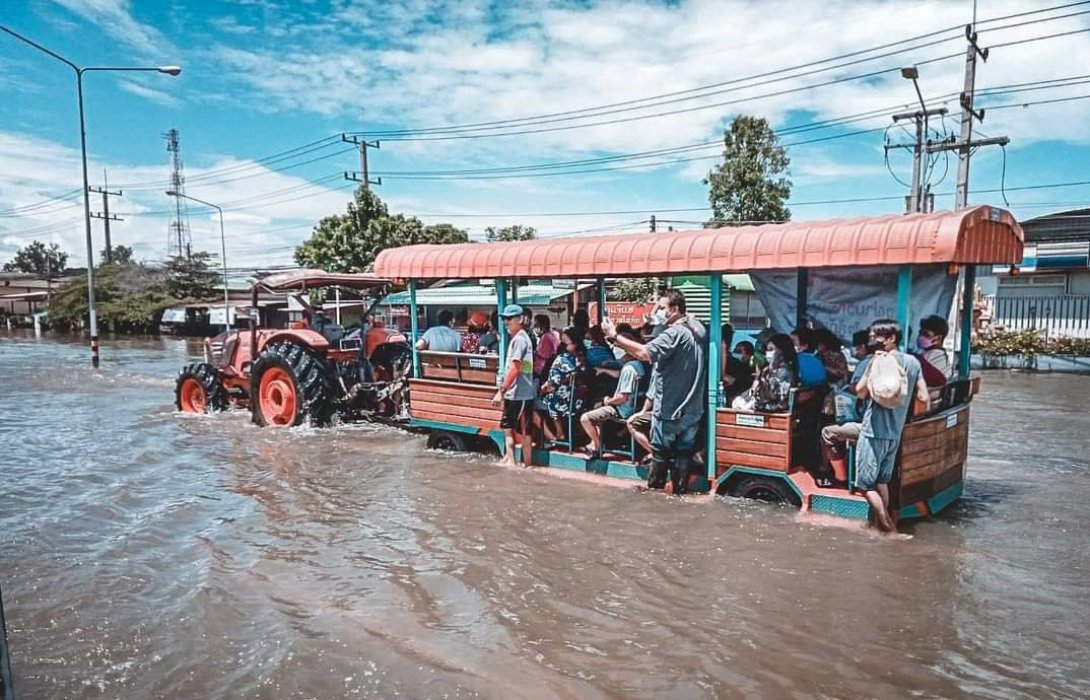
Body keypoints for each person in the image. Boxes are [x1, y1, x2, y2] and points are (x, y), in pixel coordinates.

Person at [603, 288, 706, 495]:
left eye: (661, 308)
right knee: (683, 454)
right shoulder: (697, 328)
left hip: (670, 410)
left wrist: (614, 336)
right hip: (693, 409)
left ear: (675, 309)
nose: (657, 311)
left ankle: (655, 496)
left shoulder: (674, 333)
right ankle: (680, 493)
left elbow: (643, 352)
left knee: (660, 456)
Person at [854, 319, 930, 532]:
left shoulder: (877, 361)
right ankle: (877, 526)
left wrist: (868, 381)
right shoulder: (914, 362)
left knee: (865, 485)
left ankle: (888, 528)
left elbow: (860, 392)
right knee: (882, 481)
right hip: (895, 433)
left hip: (873, 430)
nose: (871, 340)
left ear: (890, 338)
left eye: (874, 336)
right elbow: (923, 396)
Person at [818, 330, 876, 488]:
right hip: (879, 421)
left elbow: (857, 389)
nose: (854, 352)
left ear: (863, 347)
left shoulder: (866, 363)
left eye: (856, 348)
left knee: (826, 432)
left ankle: (840, 478)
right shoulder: (884, 361)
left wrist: (845, 388)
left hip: (867, 423)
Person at [579, 330, 646, 457]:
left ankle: (597, 448)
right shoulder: (638, 365)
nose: (615, 349)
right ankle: (596, 443)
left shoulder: (628, 369)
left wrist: (608, 401)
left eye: (618, 346)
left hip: (623, 409)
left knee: (586, 418)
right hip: (634, 406)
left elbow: (622, 397)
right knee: (597, 406)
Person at [491, 304, 537, 467]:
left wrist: (501, 391)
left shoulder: (519, 340)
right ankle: (519, 462)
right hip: (519, 391)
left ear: (520, 320)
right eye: (504, 319)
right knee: (515, 428)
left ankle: (513, 462)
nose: (506, 322)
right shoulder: (522, 338)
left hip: (519, 392)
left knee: (513, 428)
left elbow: (515, 368)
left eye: (509, 319)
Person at [534, 327, 587, 443]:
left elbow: (552, 385)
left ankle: (557, 434)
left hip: (564, 401)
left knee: (533, 406)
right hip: (580, 399)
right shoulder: (582, 358)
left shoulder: (561, 360)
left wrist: (541, 391)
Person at [733, 333, 798, 412]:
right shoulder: (768, 369)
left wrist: (752, 405)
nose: (768, 353)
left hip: (772, 411)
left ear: (781, 350)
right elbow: (754, 392)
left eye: (771, 349)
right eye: (767, 350)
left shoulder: (784, 372)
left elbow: (775, 398)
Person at [915, 315, 955, 399]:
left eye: (926, 334)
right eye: (920, 333)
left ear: (938, 338)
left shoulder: (931, 357)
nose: (920, 337)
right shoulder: (939, 356)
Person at [532, 314, 560, 378]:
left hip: (542, 368)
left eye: (536, 325)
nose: (534, 327)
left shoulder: (546, 337)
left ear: (543, 325)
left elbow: (545, 355)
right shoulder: (551, 335)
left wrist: (535, 353)